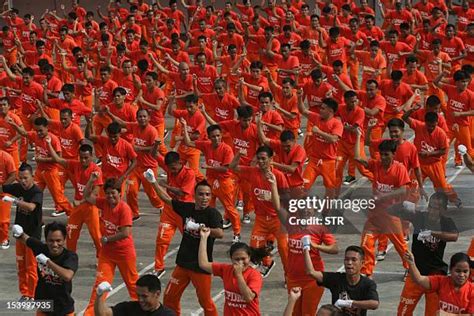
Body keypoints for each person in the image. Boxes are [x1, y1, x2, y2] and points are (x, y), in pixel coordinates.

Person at [144, 172, 223, 316]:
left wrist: (203, 228)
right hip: (183, 263)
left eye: (207, 195)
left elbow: (220, 233)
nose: (204, 198)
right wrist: (153, 181)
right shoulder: (187, 208)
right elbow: (167, 199)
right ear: (195, 195)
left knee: (205, 302)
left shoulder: (213, 214)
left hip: (201, 266)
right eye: (201, 194)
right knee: (169, 297)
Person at [389, 192, 459, 315]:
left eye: (436, 208)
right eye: (430, 206)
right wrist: (403, 204)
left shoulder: (447, 222)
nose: (432, 211)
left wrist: (432, 232)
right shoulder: (420, 217)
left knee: (433, 313)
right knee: (403, 312)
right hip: (416, 272)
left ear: (444, 210)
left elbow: (454, 236)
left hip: (435, 275)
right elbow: (390, 210)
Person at [83, 175, 139, 315]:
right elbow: (87, 197)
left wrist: (108, 239)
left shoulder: (124, 209)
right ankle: (90, 313)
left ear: (120, 193)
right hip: (107, 254)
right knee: (100, 284)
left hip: (124, 253)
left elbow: (126, 233)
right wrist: (91, 180)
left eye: (113, 193)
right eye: (107, 193)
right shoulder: (103, 203)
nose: (110, 196)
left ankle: (142, 310)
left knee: (133, 285)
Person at [12, 221, 78, 316]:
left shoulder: (70, 256)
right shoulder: (41, 248)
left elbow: (67, 276)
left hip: (63, 308)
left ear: (64, 240)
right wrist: (18, 232)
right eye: (51, 241)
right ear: (46, 240)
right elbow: (25, 238)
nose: (55, 244)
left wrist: (48, 262)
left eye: (58, 240)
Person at [0, 162, 43, 300]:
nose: (23, 181)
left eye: (26, 178)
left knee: (31, 266)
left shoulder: (36, 191)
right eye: (21, 178)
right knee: (21, 265)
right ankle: (24, 293)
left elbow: (31, 207)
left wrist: (14, 201)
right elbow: (2, 188)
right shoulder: (18, 188)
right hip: (19, 233)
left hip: (31, 235)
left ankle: (33, 294)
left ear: (32, 176)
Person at [198, 232, 262, 315]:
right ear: (231, 259)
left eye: (243, 259)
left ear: (249, 257)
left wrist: (239, 275)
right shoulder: (226, 270)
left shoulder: (254, 275)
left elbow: (249, 297)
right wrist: (203, 238)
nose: (240, 262)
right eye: (236, 259)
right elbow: (203, 264)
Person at [304, 245, 380, 316]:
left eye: (354, 260)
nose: (349, 263)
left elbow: (374, 304)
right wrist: (306, 247)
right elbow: (311, 272)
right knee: (324, 312)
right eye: (347, 259)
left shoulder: (367, 283)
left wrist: (349, 303)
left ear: (362, 263)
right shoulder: (336, 279)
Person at [405, 251, 474, 314]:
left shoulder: (472, 290)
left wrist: (446, 315)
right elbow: (419, 279)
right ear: (450, 269)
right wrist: (411, 263)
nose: (461, 275)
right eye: (458, 271)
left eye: (465, 271)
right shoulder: (442, 282)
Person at [94, 274, 175, 316]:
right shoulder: (129, 308)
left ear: (157, 294)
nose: (140, 300)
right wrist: (99, 295)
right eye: (138, 295)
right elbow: (103, 314)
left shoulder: (167, 315)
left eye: (144, 296)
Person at [0, 149, 16, 249]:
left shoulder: (6, 157)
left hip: (4, 193)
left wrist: (2, 188)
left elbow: (13, 175)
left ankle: (4, 239)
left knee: (3, 220)